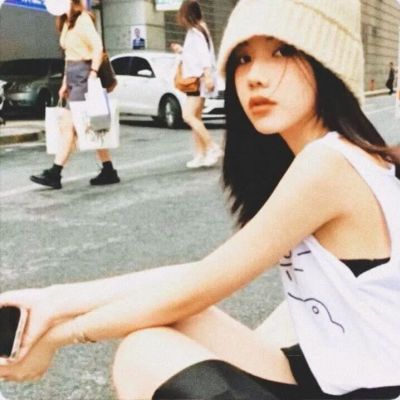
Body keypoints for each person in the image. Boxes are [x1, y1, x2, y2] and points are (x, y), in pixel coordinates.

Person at [1, 0, 400, 399]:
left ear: (328, 63)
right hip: (331, 374)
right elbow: (191, 278)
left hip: (373, 390)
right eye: (243, 58)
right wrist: (52, 302)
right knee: (171, 327)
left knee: (145, 355)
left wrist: (62, 336)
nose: (255, 77)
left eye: (283, 51)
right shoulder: (326, 158)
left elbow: (198, 287)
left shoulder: (328, 164)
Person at [30, 0, 120, 190]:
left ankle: (55, 173)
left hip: (83, 75)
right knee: (89, 124)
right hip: (73, 75)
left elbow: (97, 47)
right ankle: (108, 169)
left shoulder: (83, 19)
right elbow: (68, 56)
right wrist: (65, 82)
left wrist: (93, 73)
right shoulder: (66, 21)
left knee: (70, 125)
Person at [171, 0, 223, 169]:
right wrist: (181, 50)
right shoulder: (201, 29)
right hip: (200, 78)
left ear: (187, 14)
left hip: (197, 79)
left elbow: (203, 56)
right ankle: (201, 154)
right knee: (196, 117)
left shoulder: (195, 31)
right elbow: (196, 55)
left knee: (188, 115)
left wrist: (207, 76)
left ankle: (212, 147)